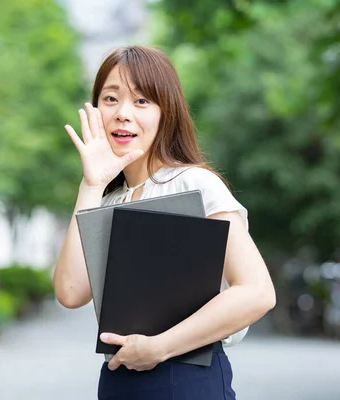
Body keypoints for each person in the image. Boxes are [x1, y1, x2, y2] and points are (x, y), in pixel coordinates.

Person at [53, 45, 276, 400]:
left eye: (142, 101)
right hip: (119, 378)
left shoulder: (194, 183)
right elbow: (70, 292)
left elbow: (257, 292)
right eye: (111, 99)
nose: (123, 114)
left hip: (185, 376)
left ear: (165, 112)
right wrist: (91, 184)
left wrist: (160, 347)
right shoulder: (110, 198)